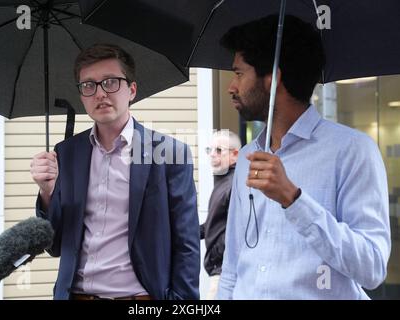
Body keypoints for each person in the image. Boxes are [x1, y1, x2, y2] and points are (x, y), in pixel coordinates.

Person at [216, 15, 391, 299]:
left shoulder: (352, 151)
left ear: (273, 79)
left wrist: (293, 199)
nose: (231, 87)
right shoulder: (250, 156)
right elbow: (234, 264)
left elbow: (371, 267)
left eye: (239, 73)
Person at [30, 43, 200, 300]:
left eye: (110, 82)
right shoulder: (66, 153)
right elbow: (54, 245)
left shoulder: (168, 152)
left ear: (132, 90)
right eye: (89, 85)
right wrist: (47, 192)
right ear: (82, 96)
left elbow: (186, 243)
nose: (100, 93)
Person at [200, 130, 240, 299]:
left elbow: (238, 228)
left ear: (235, 155)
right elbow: (213, 224)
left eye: (219, 150)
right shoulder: (222, 183)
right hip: (219, 270)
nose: (212, 155)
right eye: (209, 150)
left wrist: (218, 252)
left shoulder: (234, 186)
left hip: (226, 272)